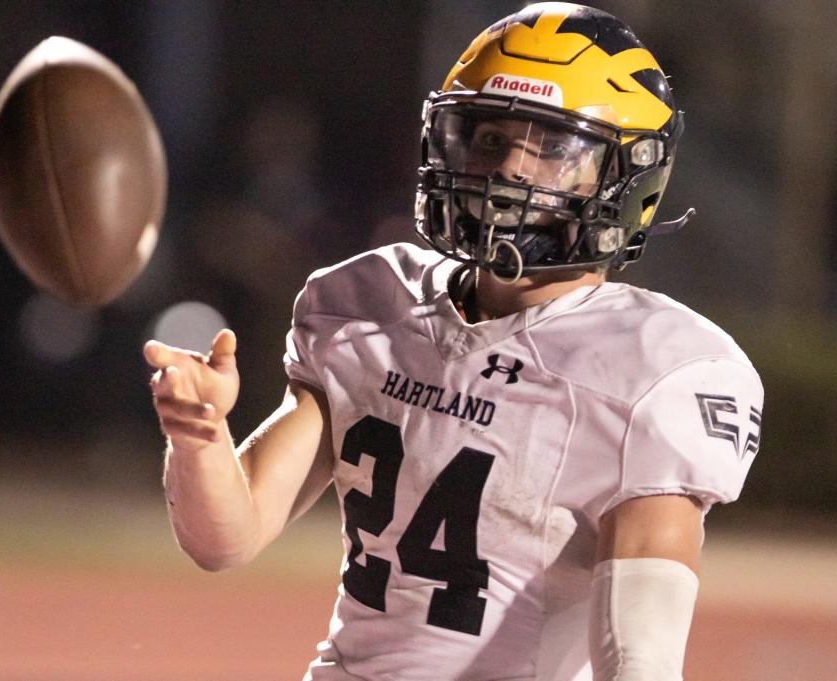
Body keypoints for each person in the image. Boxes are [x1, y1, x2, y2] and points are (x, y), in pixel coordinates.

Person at [144, 4, 763, 680]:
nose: (509, 169)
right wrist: (200, 436)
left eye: (552, 147)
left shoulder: (653, 369)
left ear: (624, 175)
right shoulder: (370, 305)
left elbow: (641, 658)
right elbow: (225, 538)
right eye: (490, 138)